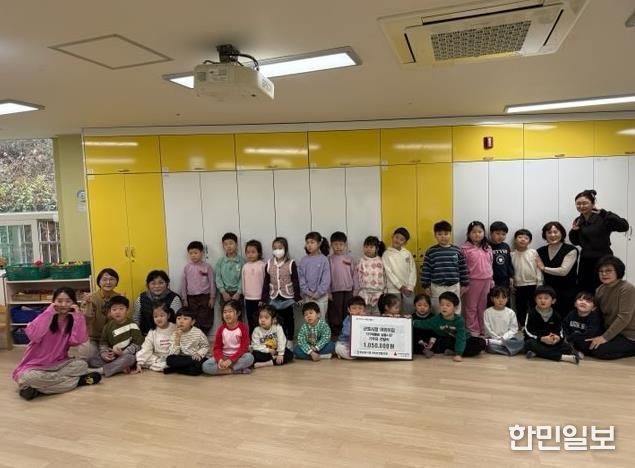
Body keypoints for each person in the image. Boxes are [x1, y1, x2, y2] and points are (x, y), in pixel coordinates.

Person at [12, 287, 101, 400]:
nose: (63, 304)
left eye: (68, 301)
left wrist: (78, 317)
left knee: (81, 365)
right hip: (36, 366)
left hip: (59, 363)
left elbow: (77, 341)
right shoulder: (45, 316)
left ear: (73, 303)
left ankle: (36, 389)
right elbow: (33, 335)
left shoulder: (72, 319)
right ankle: (77, 381)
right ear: (53, 302)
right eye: (59, 301)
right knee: (28, 377)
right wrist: (49, 312)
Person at [569, 189, 629, 292]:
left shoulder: (603, 217)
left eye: (585, 203)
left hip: (603, 258)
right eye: (578, 204)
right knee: (584, 287)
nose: (581, 206)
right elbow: (575, 241)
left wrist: (605, 213)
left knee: (603, 288)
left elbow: (624, 226)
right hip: (585, 259)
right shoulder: (579, 220)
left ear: (593, 204)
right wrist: (574, 231)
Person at [586, 256, 635, 359]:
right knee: (584, 343)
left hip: (628, 335)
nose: (604, 274)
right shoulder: (599, 289)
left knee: (598, 350)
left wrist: (604, 338)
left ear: (618, 271)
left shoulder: (627, 288)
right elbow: (597, 313)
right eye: (601, 271)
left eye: (608, 271)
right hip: (611, 331)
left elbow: (624, 317)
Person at [412, 291, 485, 361]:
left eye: (448, 305)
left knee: (481, 343)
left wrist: (458, 354)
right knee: (438, 344)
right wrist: (410, 320)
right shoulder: (436, 319)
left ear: (455, 307)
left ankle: (456, 351)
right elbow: (423, 323)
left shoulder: (459, 320)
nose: (444, 307)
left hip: (465, 339)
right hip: (449, 341)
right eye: (442, 305)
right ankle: (454, 350)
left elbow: (461, 338)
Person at [420, 220, 469, 313]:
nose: (443, 236)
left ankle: (455, 322)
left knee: (455, 309)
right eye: (440, 234)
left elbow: (463, 268)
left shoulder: (457, 250)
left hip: (454, 286)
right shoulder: (431, 251)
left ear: (450, 234)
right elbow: (426, 270)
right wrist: (426, 286)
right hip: (437, 287)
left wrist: (464, 284)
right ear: (435, 235)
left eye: (446, 234)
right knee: (438, 309)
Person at [524, 286, 579, 364]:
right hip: (537, 340)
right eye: (539, 298)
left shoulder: (556, 315)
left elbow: (560, 331)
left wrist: (558, 338)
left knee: (566, 347)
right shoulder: (531, 313)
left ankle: (538, 353)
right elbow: (527, 331)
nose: (542, 300)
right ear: (535, 300)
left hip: (551, 342)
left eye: (546, 298)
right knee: (529, 344)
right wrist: (541, 338)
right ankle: (562, 357)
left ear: (553, 301)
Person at [261, 237, 301, 343]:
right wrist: (263, 298)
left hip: (287, 296)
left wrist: (297, 297)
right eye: (275, 248)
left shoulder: (291, 263)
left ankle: (290, 340)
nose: (277, 250)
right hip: (274, 296)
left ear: (285, 248)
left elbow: (295, 280)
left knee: (289, 319)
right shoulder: (269, 263)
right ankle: (280, 340)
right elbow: (266, 282)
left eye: (280, 248)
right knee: (277, 320)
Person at [536, 222, 579, 317]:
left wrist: (544, 268)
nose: (552, 235)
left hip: (567, 291)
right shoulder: (540, 251)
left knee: (565, 317)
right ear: (545, 235)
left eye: (555, 232)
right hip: (548, 292)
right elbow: (538, 272)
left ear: (562, 233)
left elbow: (563, 271)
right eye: (549, 232)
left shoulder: (571, 249)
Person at [202, 300, 254, 375]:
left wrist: (230, 360)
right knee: (205, 366)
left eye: (230, 311)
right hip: (224, 356)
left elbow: (244, 348)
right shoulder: (221, 329)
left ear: (238, 313)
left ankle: (228, 369)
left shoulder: (243, 327)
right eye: (225, 312)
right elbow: (217, 348)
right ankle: (236, 370)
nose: (227, 314)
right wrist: (220, 360)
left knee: (250, 357)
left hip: (238, 357)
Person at [461, 221, 493, 336]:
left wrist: (491, 280)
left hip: (486, 280)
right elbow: (462, 267)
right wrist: (463, 283)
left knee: (483, 306)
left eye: (480, 232)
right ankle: (473, 330)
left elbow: (491, 264)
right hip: (472, 281)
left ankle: (483, 329)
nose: (477, 234)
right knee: (471, 307)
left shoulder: (487, 247)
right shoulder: (464, 248)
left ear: (484, 233)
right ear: (469, 234)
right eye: (474, 232)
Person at [83, 268, 121, 358]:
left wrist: (123, 304)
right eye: (104, 279)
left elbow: (121, 321)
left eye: (112, 279)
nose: (108, 282)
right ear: (99, 282)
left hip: (113, 338)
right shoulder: (91, 298)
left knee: (120, 355)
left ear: (116, 282)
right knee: (91, 357)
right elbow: (86, 321)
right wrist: (88, 304)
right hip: (94, 338)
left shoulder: (119, 297)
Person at [181, 240, 215, 335]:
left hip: (205, 296)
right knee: (193, 318)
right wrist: (184, 299)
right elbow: (184, 284)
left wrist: (212, 297)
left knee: (205, 317)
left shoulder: (207, 267)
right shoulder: (187, 268)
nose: (193, 255)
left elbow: (212, 282)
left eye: (195, 253)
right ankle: (195, 337)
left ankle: (203, 336)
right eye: (191, 253)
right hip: (191, 298)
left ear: (202, 253)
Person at [133, 270, 182, 335]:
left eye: (161, 283)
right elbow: (136, 319)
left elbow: (179, 321)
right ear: (148, 285)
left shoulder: (174, 298)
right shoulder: (141, 298)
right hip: (146, 335)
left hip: (168, 335)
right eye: (153, 283)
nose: (157, 286)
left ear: (167, 283)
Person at [164, 307, 209, 376]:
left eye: (185, 319)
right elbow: (173, 353)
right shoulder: (175, 334)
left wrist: (199, 354)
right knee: (169, 359)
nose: (181, 321)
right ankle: (181, 368)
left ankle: (175, 369)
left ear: (192, 322)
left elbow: (205, 346)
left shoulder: (198, 332)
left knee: (198, 366)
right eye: (179, 318)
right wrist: (177, 339)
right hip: (183, 358)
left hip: (194, 357)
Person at [511, 229, 542, 328]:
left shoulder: (533, 252)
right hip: (519, 285)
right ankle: (523, 325)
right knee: (520, 306)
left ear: (530, 241)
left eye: (526, 238)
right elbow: (510, 271)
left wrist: (539, 282)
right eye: (520, 237)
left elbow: (539, 268)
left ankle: (534, 324)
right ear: (515, 240)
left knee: (534, 305)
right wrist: (512, 284)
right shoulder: (512, 255)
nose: (523, 239)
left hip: (533, 284)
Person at [383, 227, 417, 314]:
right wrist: (400, 286)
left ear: (405, 243)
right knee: (394, 313)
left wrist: (410, 287)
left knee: (409, 312)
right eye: (396, 237)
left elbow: (413, 270)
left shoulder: (407, 253)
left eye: (401, 239)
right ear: (392, 236)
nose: (398, 240)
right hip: (393, 289)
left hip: (408, 290)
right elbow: (388, 272)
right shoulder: (386, 254)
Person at [134, 302, 177, 372]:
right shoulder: (152, 332)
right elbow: (146, 347)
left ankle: (163, 365)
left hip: (171, 356)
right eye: (156, 316)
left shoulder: (175, 328)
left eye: (162, 315)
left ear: (168, 315)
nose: (159, 319)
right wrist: (140, 362)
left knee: (174, 361)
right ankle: (161, 364)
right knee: (145, 359)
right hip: (157, 358)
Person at [328, 231, 355, 338]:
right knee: (335, 313)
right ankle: (335, 334)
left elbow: (354, 275)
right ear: (331, 245)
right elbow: (327, 277)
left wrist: (355, 290)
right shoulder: (329, 259)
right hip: (335, 291)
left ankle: (347, 333)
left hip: (349, 290)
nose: (338, 247)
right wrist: (328, 292)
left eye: (341, 244)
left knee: (347, 312)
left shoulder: (350, 259)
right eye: (335, 244)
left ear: (345, 245)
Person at [483, 286, 524, 356]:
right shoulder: (487, 312)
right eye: (497, 298)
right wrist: (497, 338)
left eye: (503, 298)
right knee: (489, 346)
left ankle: (502, 346)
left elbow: (514, 329)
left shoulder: (511, 312)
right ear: (492, 299)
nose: (500, 300)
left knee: (520, 342)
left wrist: (503, 338)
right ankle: (508, 349)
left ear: (507, 299)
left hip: (507, 339)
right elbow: (487, 328)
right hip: (492, 339)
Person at [299, 231, 331, 318]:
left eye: (312, 242)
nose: (309, 245)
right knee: (309, 319)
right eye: (307, 242)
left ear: (319, 243)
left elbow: (326, 279)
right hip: (308, 297)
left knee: (320, 320)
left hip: (321, 297)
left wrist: (319, 293)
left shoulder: (324, 259)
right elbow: (301, 278)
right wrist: (307, 292)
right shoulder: (303, 260)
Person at [562, 291, 603, 358]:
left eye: (588, 301)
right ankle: (572, 351)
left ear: (593, 308)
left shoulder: (594, 318)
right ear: (575, 304)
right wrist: (566, 336)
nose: (583, 302)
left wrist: (574, 336)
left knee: (588, 344)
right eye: (580, 300)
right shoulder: (571, 314)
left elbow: (591, 333)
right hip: (572, 339)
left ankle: (574, 351)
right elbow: (564, 326)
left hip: (586, 340)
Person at [353, 236, 386, 315]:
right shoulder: (361, 261)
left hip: (378, 293)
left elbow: (385, 276)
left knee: (377, 314)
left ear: (377, 249)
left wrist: (385, 291)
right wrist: (356, 291)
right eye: (366, 247)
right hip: (364, 293)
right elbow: (357, 276)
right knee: (365, 314)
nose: (368, 249)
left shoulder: (381, 261)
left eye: (371, 247)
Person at [241, 239, 265, 333]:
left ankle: (263, 338)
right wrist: (244, 294)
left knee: (262, 320)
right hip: (248, 298)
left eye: (253, 252)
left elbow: (266, 282)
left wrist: (264, 297)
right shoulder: (245, 266)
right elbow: (243, 281)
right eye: (248, 252)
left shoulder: (262, 265)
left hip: (260, 299)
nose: (250, 254)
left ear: (259, 253)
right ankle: (252, 338)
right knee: (251, 320)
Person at [215, 232, 245, 308]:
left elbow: (243, 278)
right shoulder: (220, 261)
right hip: (224, 293)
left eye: (231, 243)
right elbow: (218, 277)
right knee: (225, 313)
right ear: (223, 246)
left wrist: (238, 292)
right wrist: (223, 292)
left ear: (236, 244)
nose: (228, 246)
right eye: (225, 244)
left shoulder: (241, 261)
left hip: (238, 293)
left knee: (238, 313)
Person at [335, 296, 366, 360]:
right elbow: (346, 333)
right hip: (345, 343)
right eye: (354, 308)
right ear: (349, 310)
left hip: (359, 344)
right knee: (339, 348)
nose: (357, 311)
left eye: (360, 308)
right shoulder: (347, 319)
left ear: (364, 310)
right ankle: (354, 355)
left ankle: (358, 354)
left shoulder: (367, 319)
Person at [489, 221, 514, 289]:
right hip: (491, 279)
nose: (501, 236)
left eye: (503, 234)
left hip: (504, 279)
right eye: (497, 233)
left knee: (504, 295)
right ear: (491, 233)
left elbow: (509, 262)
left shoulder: (506, 246)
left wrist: (511, 276)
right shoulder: (487, 246)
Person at [411, 293, 436, 357]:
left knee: (439, 340)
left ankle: (429, 349)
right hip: (418, 340)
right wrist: (421, 342)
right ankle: (425, 350)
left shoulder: (433, 317)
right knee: (413, 343)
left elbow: (435, 331)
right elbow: (413, 333)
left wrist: (431, 342)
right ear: (414, 305)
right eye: (419, 305)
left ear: (429, 307)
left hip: (429, 340)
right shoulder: (412, 317)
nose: (422, 308)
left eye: (425, 306)